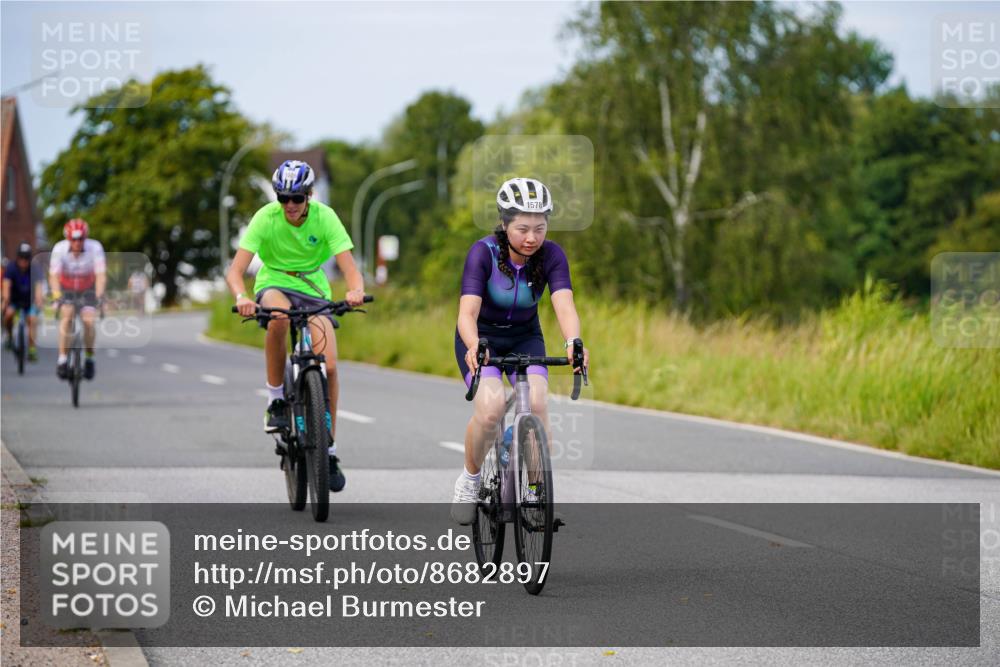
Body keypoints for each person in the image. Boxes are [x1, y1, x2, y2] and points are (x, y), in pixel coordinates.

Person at [451, 177, 589, 524]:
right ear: (504, 223)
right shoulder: (483, 253)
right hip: (481, 339)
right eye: (523, 228)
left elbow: (565, 306)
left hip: (526, 337)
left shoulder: (552, 256)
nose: (531, 238)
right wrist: (473, 345)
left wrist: (573, 343)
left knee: (539, 403)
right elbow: (466, 313)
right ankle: (469, 479)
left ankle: (535, 493)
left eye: (539, 229)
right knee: (491, 408)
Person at [226, 160, 365, 493]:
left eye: (297, 198)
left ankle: (328, 450)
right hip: (274, 281)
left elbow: (350, 267)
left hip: (314, 288)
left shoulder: (325, 217)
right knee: (278, 317)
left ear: (309, 195)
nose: (290, 205)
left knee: (329, 365)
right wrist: (243, 296)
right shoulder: (265, 218)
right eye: (283, 198)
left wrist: (355, 290)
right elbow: (235, 271)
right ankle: (276, 400)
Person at [49, 219, 106, 380]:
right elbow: (53, 276)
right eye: (73, 239)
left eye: (81, 238)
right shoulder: (59, 249)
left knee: (89, 321)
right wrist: (56, 296)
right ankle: (62, 359)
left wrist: (99, 295)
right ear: (68, 238)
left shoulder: (95, 248)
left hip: (87, 288)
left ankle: (89, 358)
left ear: (85, 237)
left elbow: (101, 275)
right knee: (67, 317)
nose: (77, 242)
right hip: (67, 288)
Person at [2, 242, 44, 361]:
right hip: (15, 299)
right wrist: (6, 300)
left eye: (26, 258)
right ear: (17, 257)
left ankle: (31, 349)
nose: (24, 260)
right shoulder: (11, 267)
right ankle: (9, 338)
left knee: (32, 319)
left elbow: (38, 287)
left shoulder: (34, 268)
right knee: (8, 315)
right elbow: (6, 286)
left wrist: (39, 300)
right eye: (21, 257)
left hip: (29, 301)